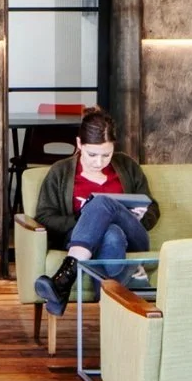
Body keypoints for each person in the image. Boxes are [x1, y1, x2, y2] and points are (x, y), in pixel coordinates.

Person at [32, 106, 159, 316]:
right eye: (92, 154)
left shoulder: (127, 166)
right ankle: (111, 316)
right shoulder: (60, 172)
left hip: (133, 235)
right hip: (87, 239)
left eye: (106, 155)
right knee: (111, 235)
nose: (99, 162)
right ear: (79, 143)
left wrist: (140, 216)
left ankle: (65, 276)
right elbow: (45, 216)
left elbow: (153, 207)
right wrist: (91, 223)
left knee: (101, 204)